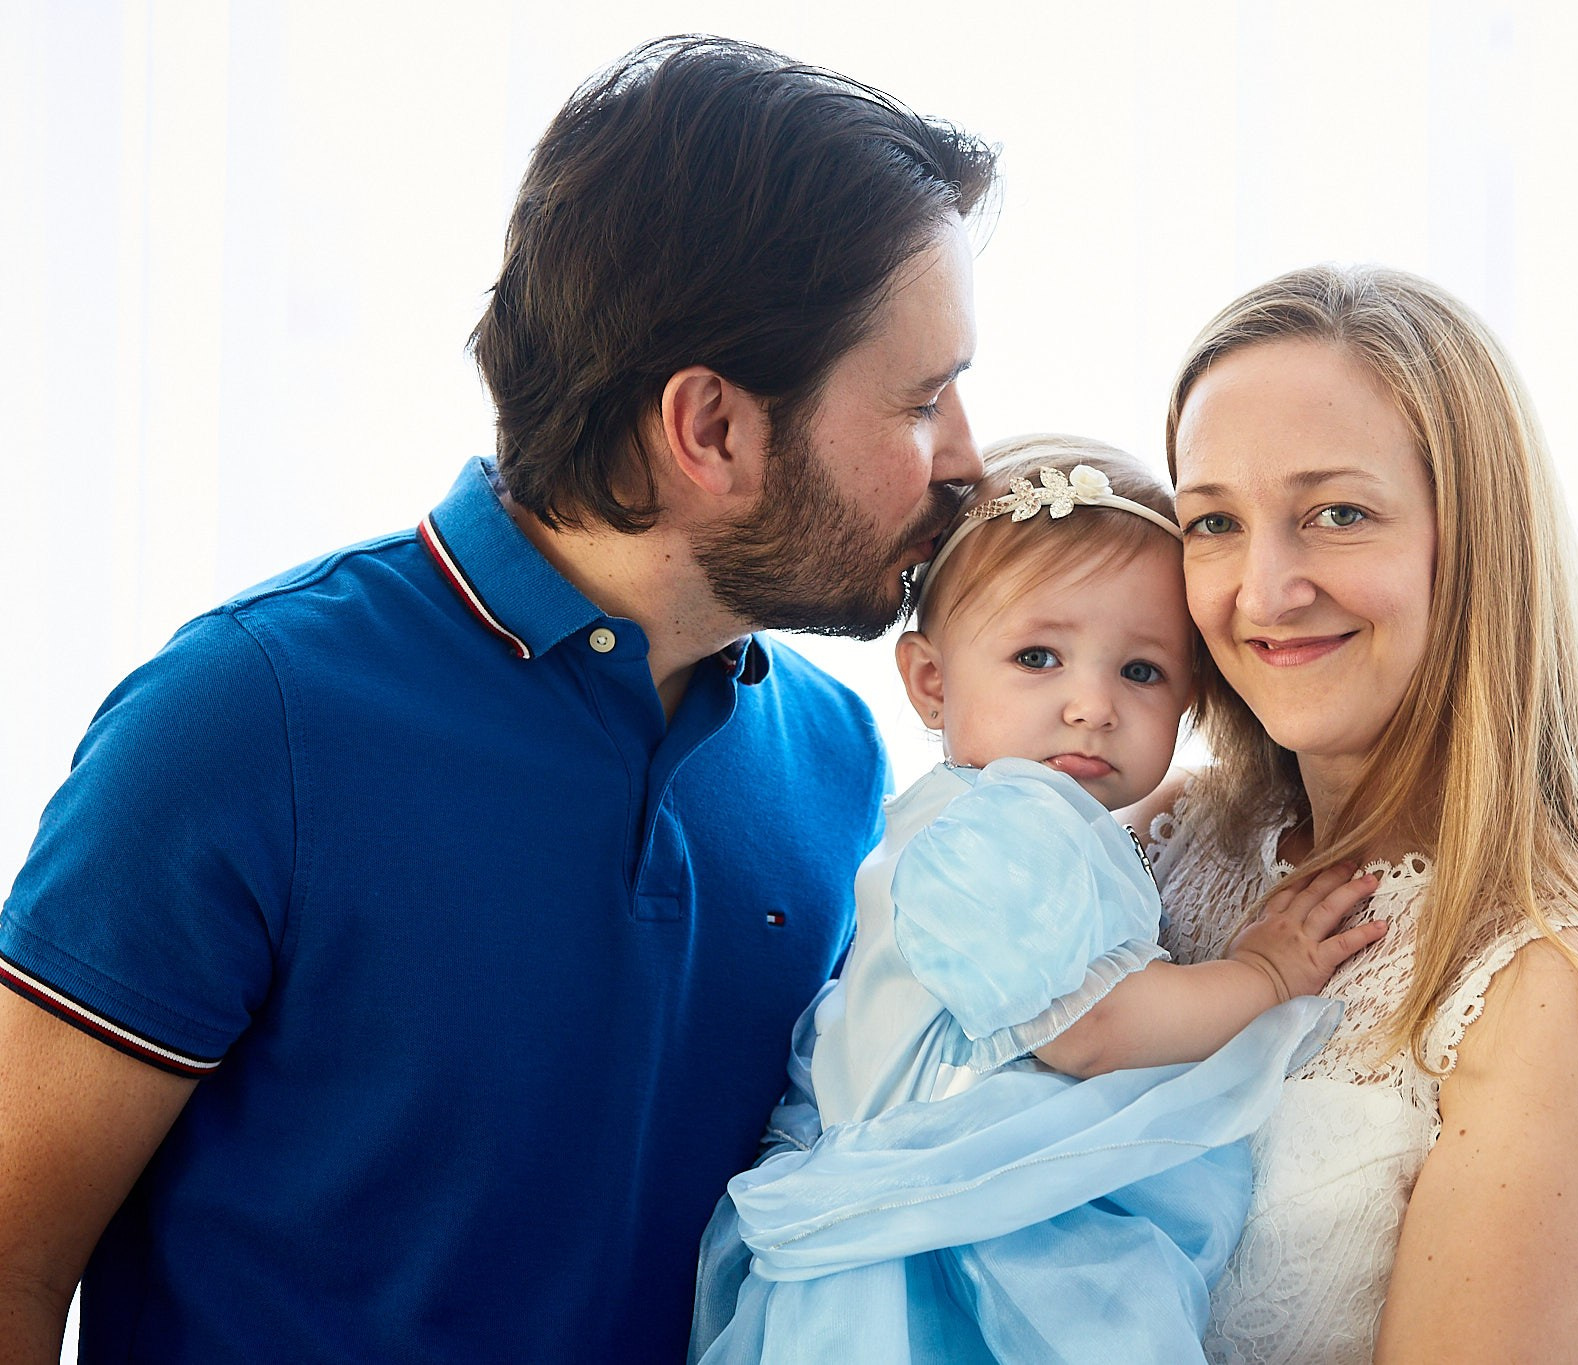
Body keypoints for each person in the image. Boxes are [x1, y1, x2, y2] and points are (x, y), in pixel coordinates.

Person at [0, 36, 995, 1363]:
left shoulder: (839, 757)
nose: (969, 458)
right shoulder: (245, 721)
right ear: (709, 427)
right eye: (923, 401)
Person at [689, 436, 1386, 1363]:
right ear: (931, 681)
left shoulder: (1015, 815)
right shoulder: (1000, 827)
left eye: (1141, 671)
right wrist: (1263, 973)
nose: (1093, 705)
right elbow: (1093, 1030)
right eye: (1038, 656)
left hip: (942, 1204)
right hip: (955, 1238)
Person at [1123, 264, 1578, 1363]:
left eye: (1337, 514)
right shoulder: (1161, 838)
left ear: (1473, 542)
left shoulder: (1562, 990)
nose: (1264, 590)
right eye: (1213, 522)